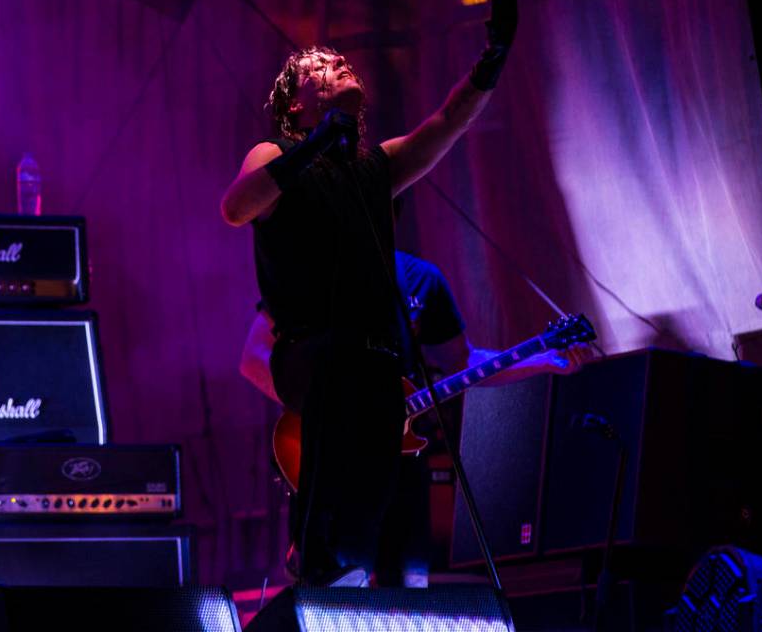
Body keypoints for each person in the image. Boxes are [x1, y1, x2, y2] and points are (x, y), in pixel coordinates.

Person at [221, 0, 521, 585]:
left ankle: (331, 571)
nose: (341, 67)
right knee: (339, 393)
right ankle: (314, 559)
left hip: (374, 361)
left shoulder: (375, 165)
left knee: (365, 522)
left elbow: (445, 125)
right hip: (312, 352)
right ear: (296, 103)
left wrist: (491, 61)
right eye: (322, 69)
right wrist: (313, 146)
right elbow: (235, 207)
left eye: (342, 63)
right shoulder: (276, 155)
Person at [239, 248, 588, 586]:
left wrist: (542, 361)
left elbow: (462, 362)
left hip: (401, 460)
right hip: (338, 466)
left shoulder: (422, 278)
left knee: (410, 590)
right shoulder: (318, 267)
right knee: (338, 592)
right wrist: (323, 413)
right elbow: (254, 359)